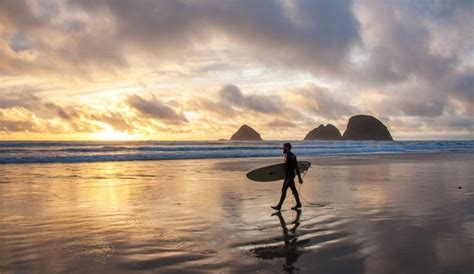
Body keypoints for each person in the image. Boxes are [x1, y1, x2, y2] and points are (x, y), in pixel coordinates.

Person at [271, 143, 303, 210]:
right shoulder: (290, 155)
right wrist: (299, 178)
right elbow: (294, 168)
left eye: (284, 147)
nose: (283, 148)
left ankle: (279, 206)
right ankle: (299, 204)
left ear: (287, 147)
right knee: (294, 190)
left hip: (289, 177)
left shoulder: (291, 156)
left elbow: (296, 168)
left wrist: (299, 178)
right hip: (289, 176)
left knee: (284, 190)